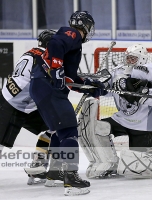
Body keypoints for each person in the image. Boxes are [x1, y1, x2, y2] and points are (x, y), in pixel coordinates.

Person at [78, 44, 152, 179]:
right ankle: (107, 162)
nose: (129, 61)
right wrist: (96, 85)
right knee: (94, 129)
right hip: (122, 119)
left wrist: (141, 94)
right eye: (128, 58)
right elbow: (107, 90)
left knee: (138, 169)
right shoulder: (118, 71)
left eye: (133, 58)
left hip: (144, 126)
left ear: (142, 59)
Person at [29, 11, 106, 196]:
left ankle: (55, 174)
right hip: (48, 89)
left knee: (59, 130)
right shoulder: (72, 34)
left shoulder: (73, 46)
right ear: (86, 27)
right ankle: (71, 180)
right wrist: (56, 69)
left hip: (42, 88)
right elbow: (55, 44)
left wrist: (91, 87)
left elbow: (70, 78)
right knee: (70, 131)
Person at [0, 29, 57, 184]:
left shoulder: (33, 53)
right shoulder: (44, 58)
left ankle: (38, 165)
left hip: (25, 104)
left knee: (55, 127)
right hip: (11, 105)